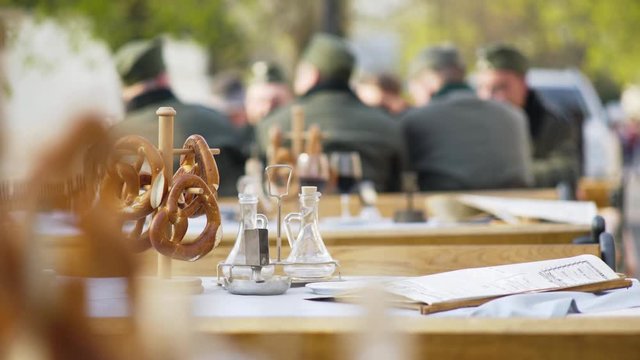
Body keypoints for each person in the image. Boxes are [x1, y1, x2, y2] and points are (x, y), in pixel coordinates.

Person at [255, 33, 405, 192]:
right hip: (371, 213)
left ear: (313, 74)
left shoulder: (272, 124)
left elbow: (264, 185)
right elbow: (399, 185)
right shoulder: (387, 125)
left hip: (297, 213)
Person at [113, 38, 245, 197]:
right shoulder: (215, 119)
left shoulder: (113, 137)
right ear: (164, 78)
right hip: (225, 214)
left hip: (142, 220)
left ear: (123, 88)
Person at [402, 44, 533, 191]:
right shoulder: (514, 115)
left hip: (448, 210)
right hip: (513, 208)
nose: (412, 96)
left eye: (413, 87)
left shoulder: (415, 119)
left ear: (429, 80)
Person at [475, 44, 579, 188]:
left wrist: (514, 174)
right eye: (482, 87)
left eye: (500, 87)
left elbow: (566, 169)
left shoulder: (549, 122)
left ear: (523, 84)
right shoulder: (474, 123)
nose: (488, 97)